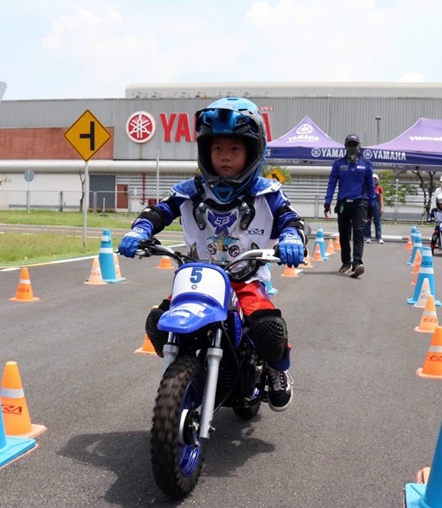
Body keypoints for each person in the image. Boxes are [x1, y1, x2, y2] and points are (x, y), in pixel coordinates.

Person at [118, 97, 306, 412]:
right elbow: (159, 211)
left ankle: (277, 370)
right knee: (158, 323)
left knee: (268, 330)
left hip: (245, 280)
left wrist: (291, 238)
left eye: (234, 148)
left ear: (253, 151)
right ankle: (186, 371)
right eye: (217, 148)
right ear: (206, 151)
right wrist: (140, 231)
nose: (225, 156)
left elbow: (291, 219)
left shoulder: (268, 193)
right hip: (197, 280)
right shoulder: (188, 192)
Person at [324, 134, 376, 277]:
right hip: (343, 203)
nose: (352, 147)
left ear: (359, 146)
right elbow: (332, 184)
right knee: (344, 234)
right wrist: (327, 202)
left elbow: (370, 187)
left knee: (359, 232)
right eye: (349, 145)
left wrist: (371, 206)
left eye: (354, 145)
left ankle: (357, 262)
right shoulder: (338, 164)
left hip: (360, 203)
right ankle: (346, 262)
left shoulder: (366, 165)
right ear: (345, 147)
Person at [365, 173, 384, 243]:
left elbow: (381, 198)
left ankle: (379, 237)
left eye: (375, 179)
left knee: (377, 222)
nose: (374, 180)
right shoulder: (367, 187)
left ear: (377, 180)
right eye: (372, 179)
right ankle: (368, 237)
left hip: (376, 205)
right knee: (367, 221)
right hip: (368, 205)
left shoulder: (379, 188)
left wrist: (382, 207)